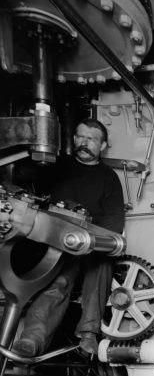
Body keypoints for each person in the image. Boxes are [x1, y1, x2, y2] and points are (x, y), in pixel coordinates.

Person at [13, 119, 125, 358]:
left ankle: (88, 334)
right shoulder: (57, 166)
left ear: (103, 146)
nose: (83, 143)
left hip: (92, 242)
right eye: (80, 137)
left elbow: (115, 222)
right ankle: (31, 339)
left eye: (91, 139)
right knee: (58, 282)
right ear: (73, 138)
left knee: (101, 266)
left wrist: (90, 237)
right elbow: (29, 184)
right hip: (57, 241)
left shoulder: (109, 178)